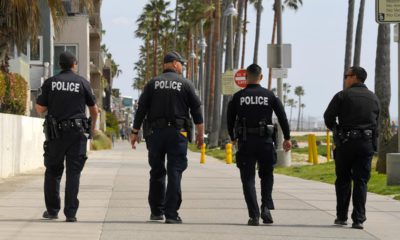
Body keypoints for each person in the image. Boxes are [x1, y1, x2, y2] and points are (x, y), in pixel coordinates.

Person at [130, 51, 204, 224]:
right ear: (174, 63)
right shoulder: (185, 84)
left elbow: (141, 110)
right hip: (177, 134)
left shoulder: (152, 84)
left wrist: (134, 132)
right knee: (175, 172)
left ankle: (156, 211)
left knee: (156, 171)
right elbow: (197, 112)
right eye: (182, 64)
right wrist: (201, 135)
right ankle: (171, 214)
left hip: (155, 134)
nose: (183, 67)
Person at [35, 51, 98, 222]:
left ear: (60, 65)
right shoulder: (82, 83)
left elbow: (40, 109)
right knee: (74, 173)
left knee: (53, 171)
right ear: (74, 64)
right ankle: (71, 214)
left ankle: (53, 210)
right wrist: (91, 129)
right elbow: (94, 110)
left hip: (56, 134)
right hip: (77, 134)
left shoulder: (51, 82)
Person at [227, 63, 292, 226]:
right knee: (267, 175)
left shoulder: (238, 97)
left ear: (246, 77)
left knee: (248, 178)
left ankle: (254, 215)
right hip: (265, 142)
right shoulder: (269, 95)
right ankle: (265, 207)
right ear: (261, 77)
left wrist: (233, 137)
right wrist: (287, 137)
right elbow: (282, 117)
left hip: (246, 142)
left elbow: (229, 118)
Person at [324, 66, 380, 230]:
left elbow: (328, 117)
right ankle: (359, 219)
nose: (345, 79)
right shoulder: (374, 98)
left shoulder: (342, 95)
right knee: (361, 181)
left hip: (346, 143)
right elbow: (377, 124)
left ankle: (342, 217)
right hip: (366, 144)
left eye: (346, 76)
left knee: (343, 180)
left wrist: (336, 130)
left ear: (355, 77)